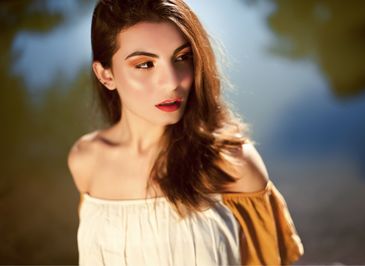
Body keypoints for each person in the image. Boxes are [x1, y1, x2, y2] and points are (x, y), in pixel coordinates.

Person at [67, 0, 304, 265]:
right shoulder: (86, 160)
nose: (171, 81)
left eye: (182, 58)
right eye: (145, 64)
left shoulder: (232, 165)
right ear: (106, 75)